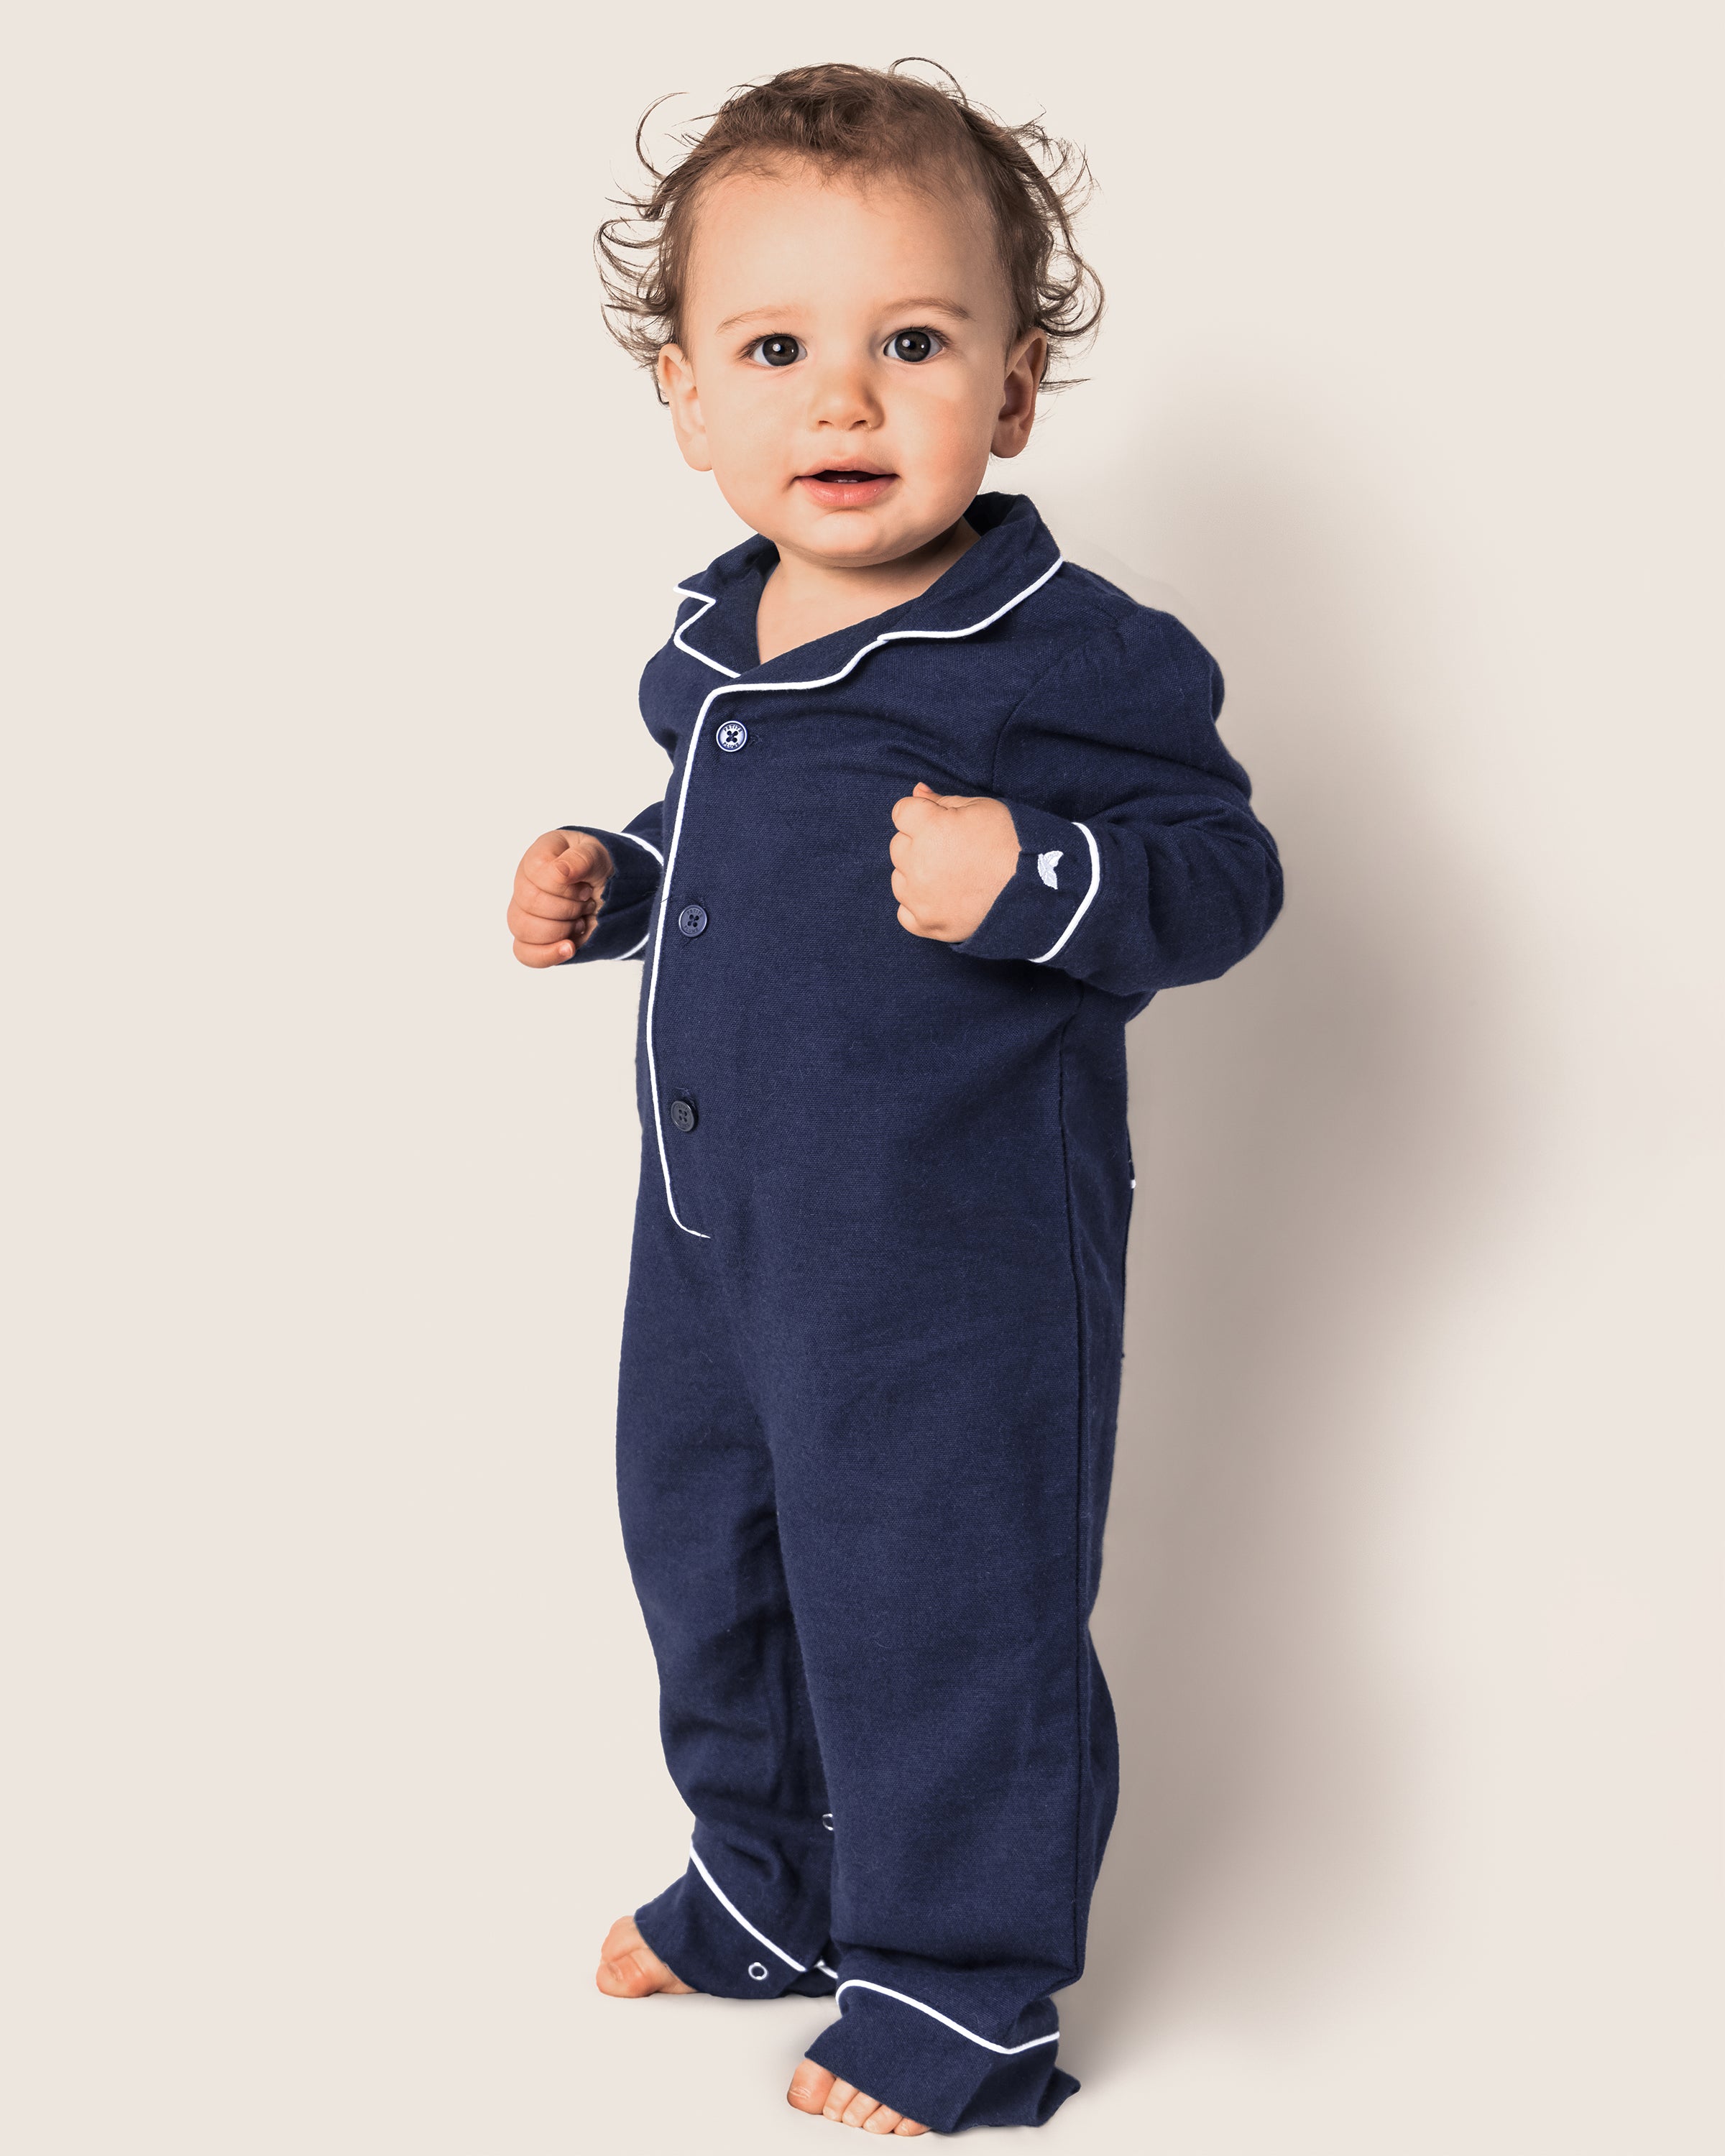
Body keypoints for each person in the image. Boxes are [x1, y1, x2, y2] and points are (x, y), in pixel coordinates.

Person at [505, 61, 1282, 2137]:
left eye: (912, 346)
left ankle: (961, 1983)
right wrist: (622, 883)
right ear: (686, 398)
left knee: (941, 1603)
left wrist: (1037, 874)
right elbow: (743, 839)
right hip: (711, 1232)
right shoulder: (719, 637)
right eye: (777, 350)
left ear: (1014, 394)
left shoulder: (1063, 653)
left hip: (948, 1269)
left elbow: (1228, 873)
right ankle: (770, 1883)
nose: (841, 404)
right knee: (710, 1552)